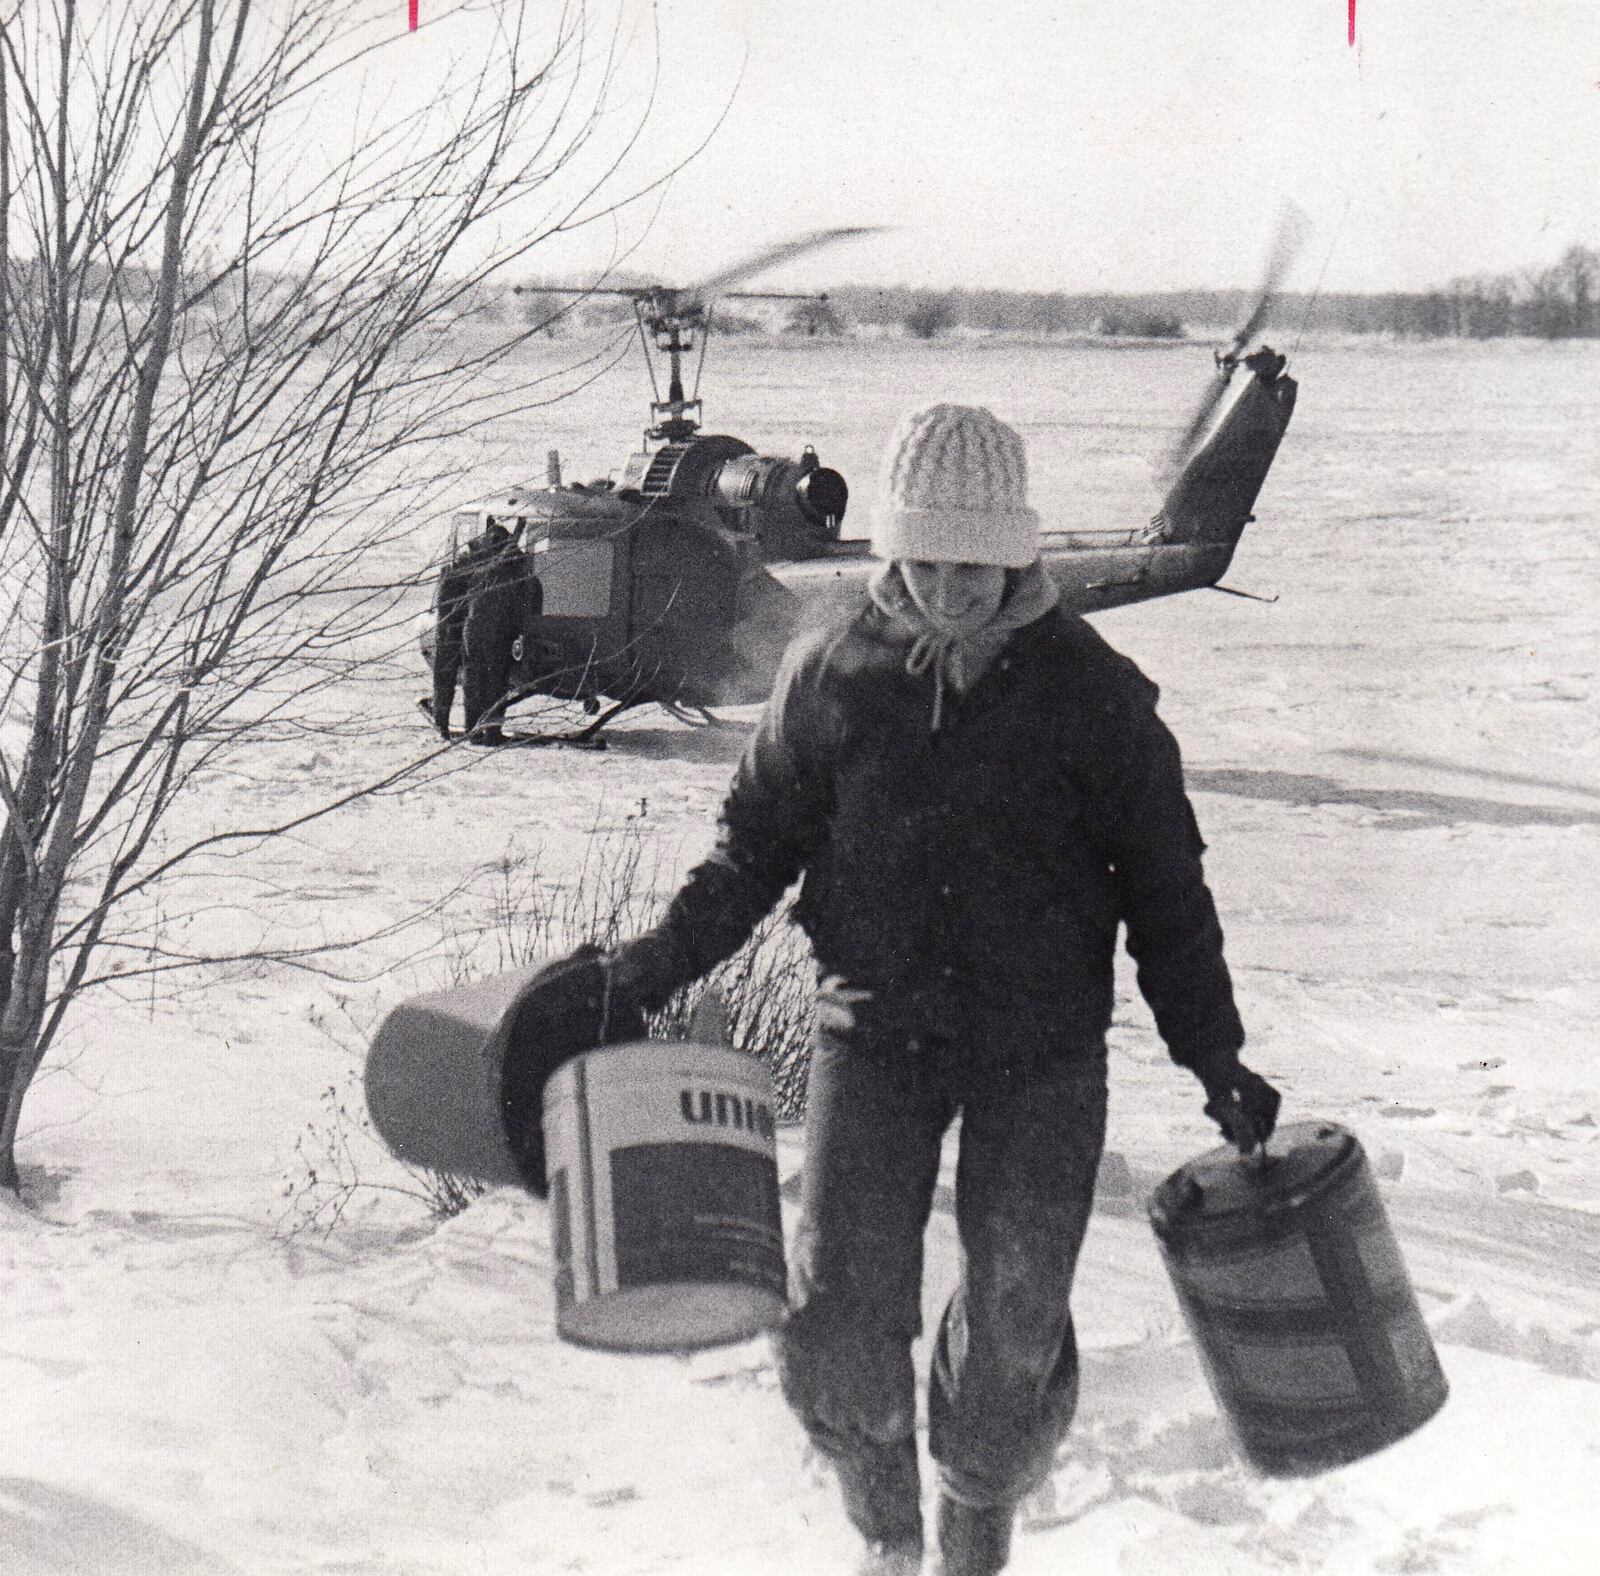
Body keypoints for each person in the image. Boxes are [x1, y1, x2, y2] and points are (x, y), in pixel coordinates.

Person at [591, 403, 1281, 1575]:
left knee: (1014, 1325)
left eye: (979, 564)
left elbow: (1169, 896)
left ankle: (975, 1516)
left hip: (1044, 1051)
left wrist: (1214, 1055)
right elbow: (750, 850)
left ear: (1017, 552)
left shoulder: (1094, 697)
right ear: (894, 551)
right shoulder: (833, 674)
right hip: (875, 1028)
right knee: (837, 1318)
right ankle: (887, 1535)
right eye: (928, 562)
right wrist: (645, 972)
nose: (954, 590)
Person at [424, 519, 534, 744]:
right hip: (483, 631)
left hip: (466, 629)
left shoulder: (471, 565)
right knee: (493, 681)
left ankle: (469, 729)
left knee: (471, 680)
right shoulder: (506, 570)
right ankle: (487, 731)